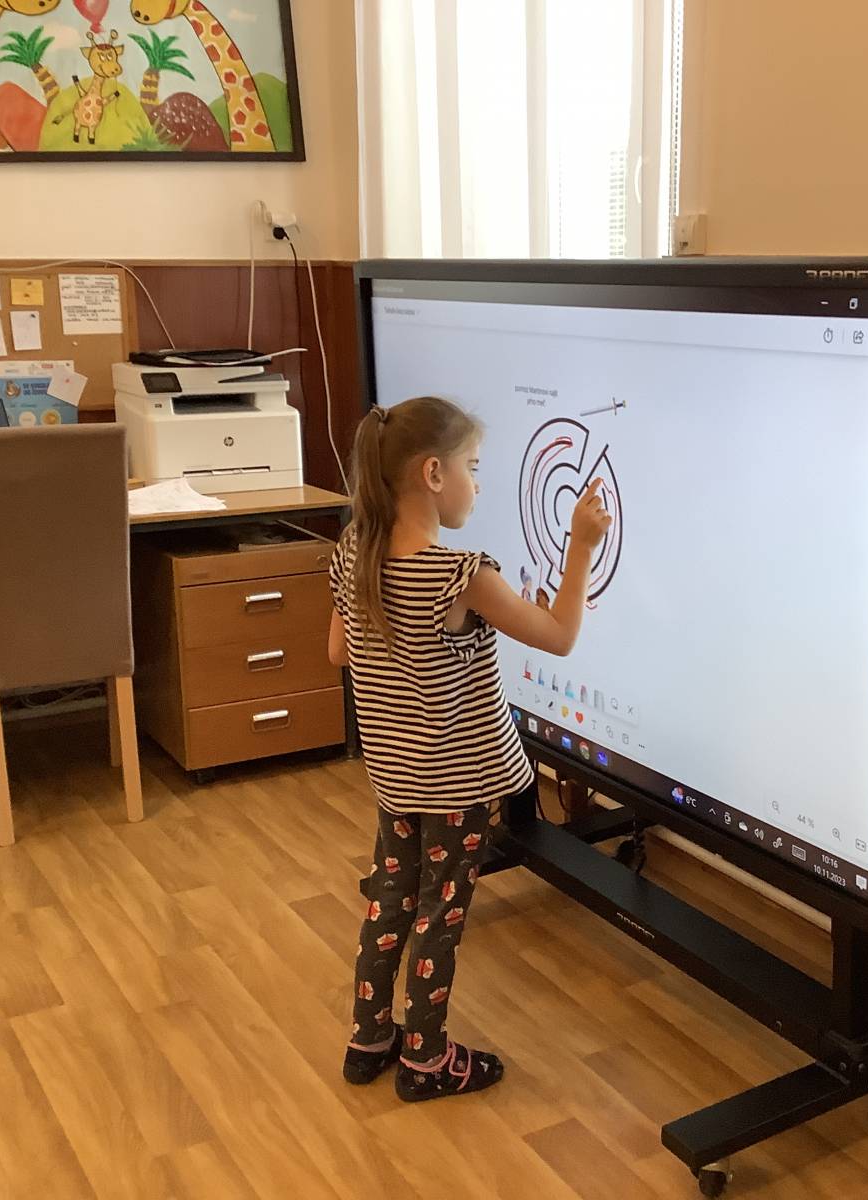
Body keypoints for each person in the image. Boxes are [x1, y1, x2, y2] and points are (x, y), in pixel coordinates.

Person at [328, 395, 611, 1102]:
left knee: (391, 901)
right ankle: (427, 1060)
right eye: (473, 468)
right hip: (456, 784)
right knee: (441, 913)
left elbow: (338, 652)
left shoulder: (353, 550)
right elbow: (559, 636)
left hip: (395, 775)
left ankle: (369, 1038)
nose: (478, 485)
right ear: (433, 474)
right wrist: (580, 546)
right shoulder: (459, 573)